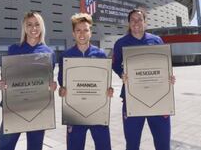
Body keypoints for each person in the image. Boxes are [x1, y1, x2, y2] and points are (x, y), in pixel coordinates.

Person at [112, 8, 176, 150]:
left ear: (145, 22)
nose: (136, 23)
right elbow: (115, 64)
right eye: (133, 20)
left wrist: (168, 77)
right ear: (129, 23)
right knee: (132, 144)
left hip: (158, 99)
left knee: (163, 144)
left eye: (139, 19)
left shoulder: (156, 40)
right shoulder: (121, 43)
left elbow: (164, 64)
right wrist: (122, 74)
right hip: (132, 98)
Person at [0, 11, 57, 150]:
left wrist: (52, 87)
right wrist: (2, 84)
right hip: (14, 106)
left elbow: (48, 81)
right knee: (4, 146)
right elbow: (5, 76)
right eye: (29, 24)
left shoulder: (49, 53)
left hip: (38, 108)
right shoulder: (14, 49)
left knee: (35, 147)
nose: (33, 28)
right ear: (24, 27)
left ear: (41, 27)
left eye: (37, 24)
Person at [57, 13, 113, 150]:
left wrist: (109, 90)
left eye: (85, 30)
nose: (82, 33)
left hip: (98, 111)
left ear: (91, 32)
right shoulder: (66, 56)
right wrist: (61, 90)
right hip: (75, 113)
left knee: (104, 147)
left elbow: (105, 82)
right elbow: (61, 82)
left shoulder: (100, 55)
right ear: (73, 33)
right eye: (78, 30)